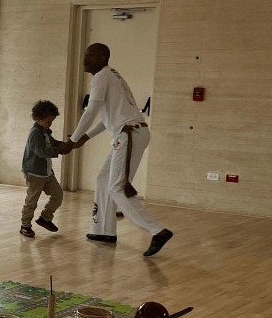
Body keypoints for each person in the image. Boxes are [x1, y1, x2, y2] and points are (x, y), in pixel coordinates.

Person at [68, 43, 174, 257]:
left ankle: (157, 231)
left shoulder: (102, 77)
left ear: (103, 58)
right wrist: (84, 138)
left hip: (129, 134)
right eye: (85, 54)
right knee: (102, 179)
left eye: (90, 55)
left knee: (117, 187)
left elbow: (90, 112)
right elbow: (105, 118)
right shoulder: (110, 76)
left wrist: (72, 140)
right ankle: (103, 231)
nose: (85, 58)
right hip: (129, 133)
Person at [20, 100, 73, 238]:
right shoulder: (35, 133)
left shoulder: (44, 132)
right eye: (49, 121)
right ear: (38, 119)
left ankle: (45, 218)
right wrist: (58, 150)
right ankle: (25, 225)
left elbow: (53, 143)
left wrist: (66, 145)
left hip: (47, 173)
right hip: (34, 173)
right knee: (32, 200)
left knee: (58, 195)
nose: (51, 124)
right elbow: (41, 151)